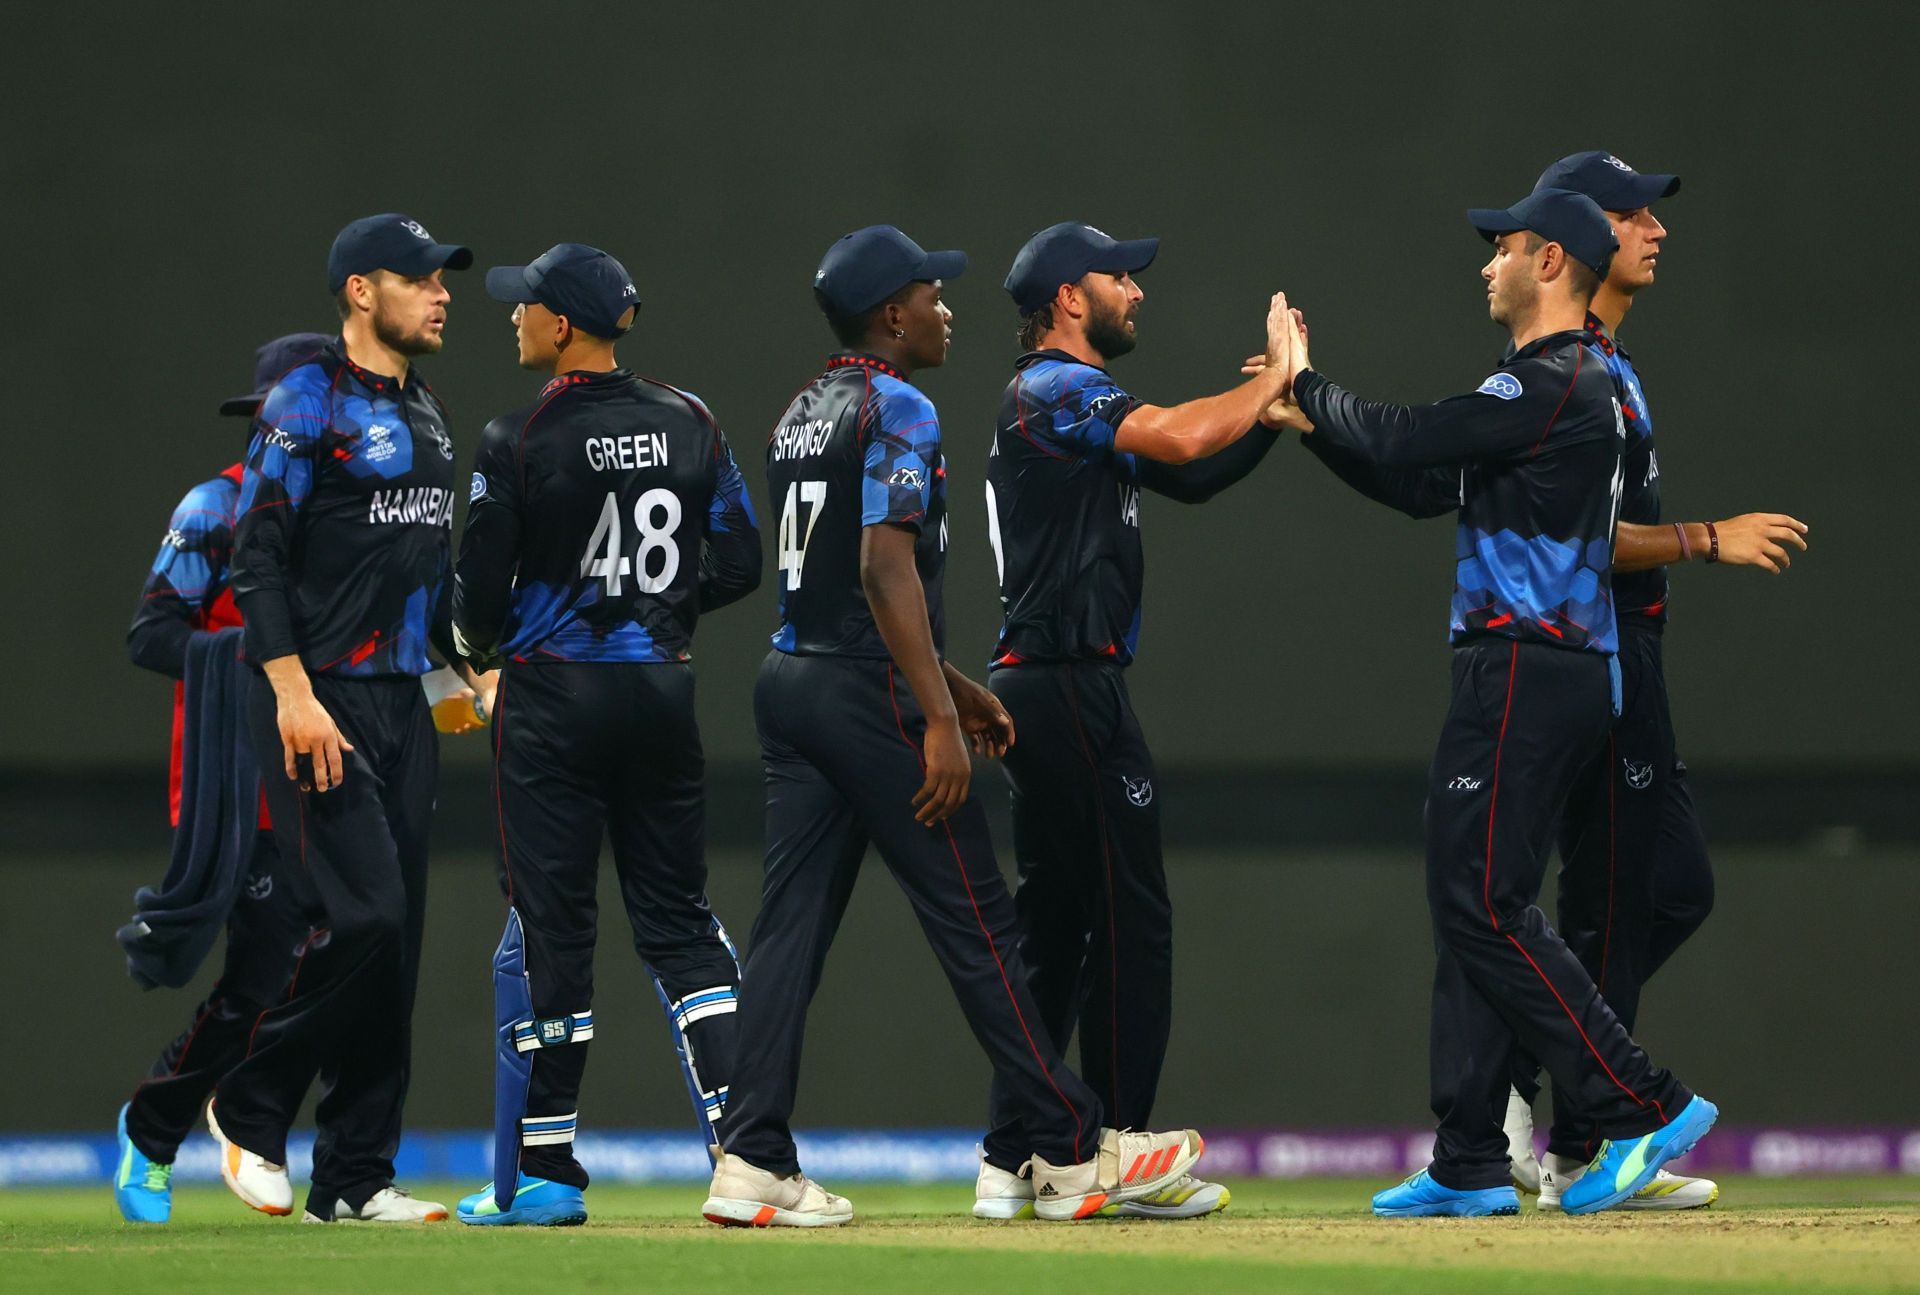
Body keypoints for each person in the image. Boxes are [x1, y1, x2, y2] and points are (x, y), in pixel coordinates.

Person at [707, 226, 1205, 1228]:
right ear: (892, 314)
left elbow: (833, 579)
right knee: (983, 923)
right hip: (867, 693)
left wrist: (960, 685)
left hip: (792, 678)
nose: (946, 309)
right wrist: (936, 713)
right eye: (931, 294)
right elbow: (883, 564)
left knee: (788, 931)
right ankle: (1067, 1147)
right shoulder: (901, 404)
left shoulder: (802, 409)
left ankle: (750, 1155)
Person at [1263, 188, 1717, 1217]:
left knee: (1483, 900)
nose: (1486, 265)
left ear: (1549, 259)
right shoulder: (1543, 385)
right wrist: (1313, 424)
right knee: (1476, 903)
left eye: (1500, 248)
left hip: (1528, 663)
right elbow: (1424, 482)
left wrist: (1308, 381)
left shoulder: (1558, 380)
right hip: (1533, 664)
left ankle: (1642, 1103)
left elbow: (1410, 433)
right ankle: (1472, 1156)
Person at [1499, 152, 1808, 1211]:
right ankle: (1585, 1142)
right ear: (1582, 237)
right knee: (1619, 900)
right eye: (1631, 214)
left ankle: (1535, 1061)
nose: (1655, 228)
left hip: (1637, 656)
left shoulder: (1613, 363)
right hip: (1601, 652)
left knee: (1665, 890)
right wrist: (1708, 537)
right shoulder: (1571, 369)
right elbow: (1579, 536)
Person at [974, 221, 1292, 1220]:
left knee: (1062, 922)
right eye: (1120, 278)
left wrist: (1269, 413)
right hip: (1069, 683)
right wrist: (1274, 373)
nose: (1135, 292)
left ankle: (1016, 1149)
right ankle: (1111, 1146)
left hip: (1045, 679)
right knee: (1132, 914)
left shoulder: (1066, 410)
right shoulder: (1056, 390)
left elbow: (1192, 469)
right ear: (1072, 298)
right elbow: (1187, 434)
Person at [450, 242, 761, 1226]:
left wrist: (465, 648)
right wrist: (658, 610)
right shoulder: (691, 418)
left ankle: (542, 1169)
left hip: (552, 700)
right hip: (661, 694)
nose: (512, 316)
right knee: (678, 921)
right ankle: (750, 1146)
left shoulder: (518, 434)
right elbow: (743, 560)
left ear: (565, 324)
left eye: (526, 304)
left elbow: (477, 604)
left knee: (557, 927)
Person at [209, 213, 484, 1224]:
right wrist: (291, 693)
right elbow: (258, 559)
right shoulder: (304, 401)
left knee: (396, 936)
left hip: (401, 699)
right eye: (420, 277)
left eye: (443, 278)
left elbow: (425, 562)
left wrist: (454, 672)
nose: (442, 291)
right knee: (364, 915)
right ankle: (248, 1099)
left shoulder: (429, 411)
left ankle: (356, 1175)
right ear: (361, 291)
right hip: (316, 697)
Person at [112, 333, 329, 1223]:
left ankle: (340, 1159)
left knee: (355, 955)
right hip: (239, 781)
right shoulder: (217, 507)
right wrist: (262, 655)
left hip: (334, 773)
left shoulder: (350, 521)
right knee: (268, 967)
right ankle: (160, 1123)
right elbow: (152, 632)